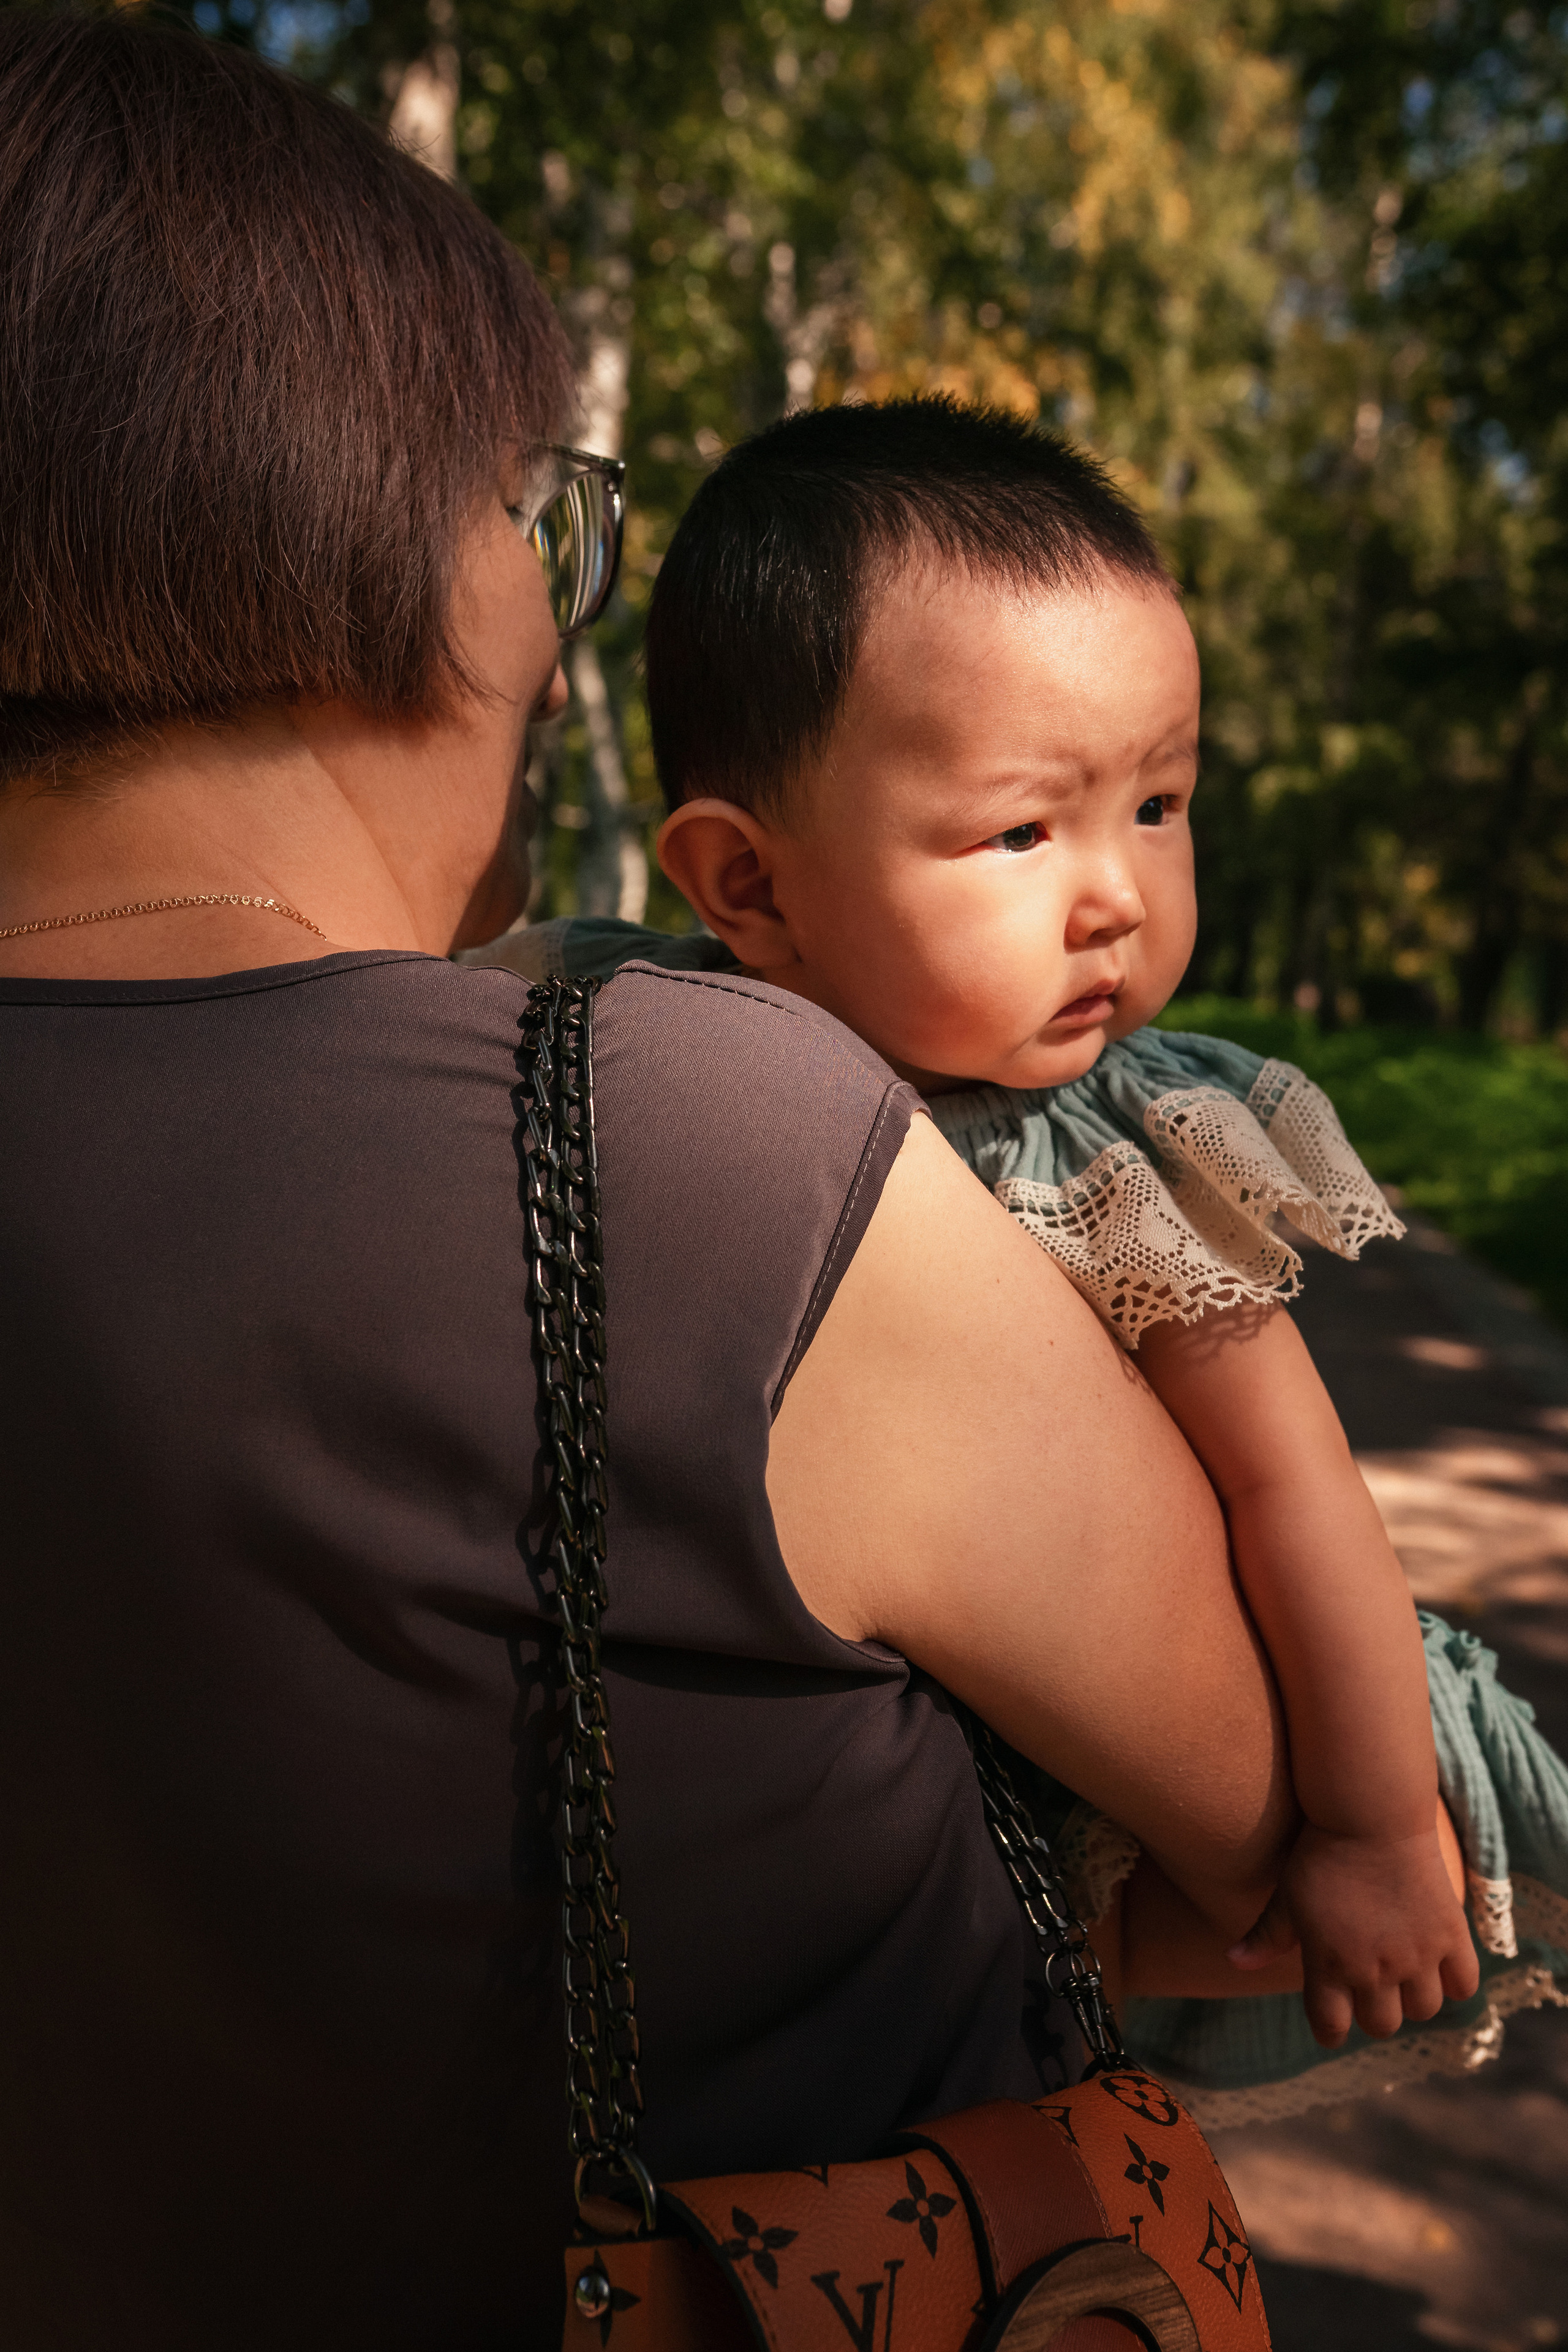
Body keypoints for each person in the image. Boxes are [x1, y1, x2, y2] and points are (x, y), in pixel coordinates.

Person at [0, 17, 1296, 2346]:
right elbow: (1256, 1800)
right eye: (537, 518)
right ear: (369, 529)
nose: (551, 610)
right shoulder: (671, 1137)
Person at [484, 396, 1568, 2121]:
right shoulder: (611, 1037)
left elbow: (1301, 1492)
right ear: (745, 882)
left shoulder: (1105, 1161)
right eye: (1022, 833)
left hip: (1146, 1794)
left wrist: (1372, 1824)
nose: (1118, 895)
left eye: (1159, 803)